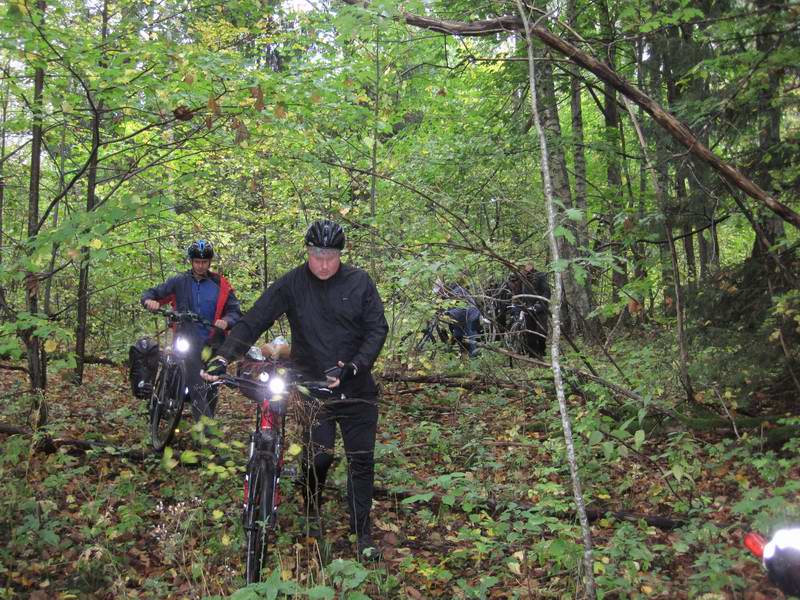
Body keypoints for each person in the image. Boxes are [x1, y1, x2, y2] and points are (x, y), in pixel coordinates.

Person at [203, 220, 389, 561]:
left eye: (330, 255)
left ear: (340, 255)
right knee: (319, 457)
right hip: (313, 388)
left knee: (361, 462)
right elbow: (256, 318)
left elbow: (377, 328)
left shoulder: (359, 282)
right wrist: (223, 357)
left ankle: (362, 535)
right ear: (307, 251)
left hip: (357, 388)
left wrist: (354, 366)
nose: (323, 263)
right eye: (317, 254)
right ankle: (312, 506)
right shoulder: (292, 283)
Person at [141, 239, 242, 420]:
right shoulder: (179, 282)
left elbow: (235, 310)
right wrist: (150, 301)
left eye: (204, 262)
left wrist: (226, 321)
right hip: (187, 338)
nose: (201, 266)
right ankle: (206, 433)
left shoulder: (221, 285)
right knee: (197, 384)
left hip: (213, 342)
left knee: (210, 387)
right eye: (197, 262)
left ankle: (205, 427)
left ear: (210, 262)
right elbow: (153, 293)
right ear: (191, 261)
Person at [433, 278, 482, 358]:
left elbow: (462, 308)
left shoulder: (457, 291)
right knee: (457, 335)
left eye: (439, 290)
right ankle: (462, 357)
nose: (438, 293)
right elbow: (443, 306)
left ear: (443, 288)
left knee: (472, 341)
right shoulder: (446, 295)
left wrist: (449, 313)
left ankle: (476, 360)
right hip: (460, 320)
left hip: (470, 316)